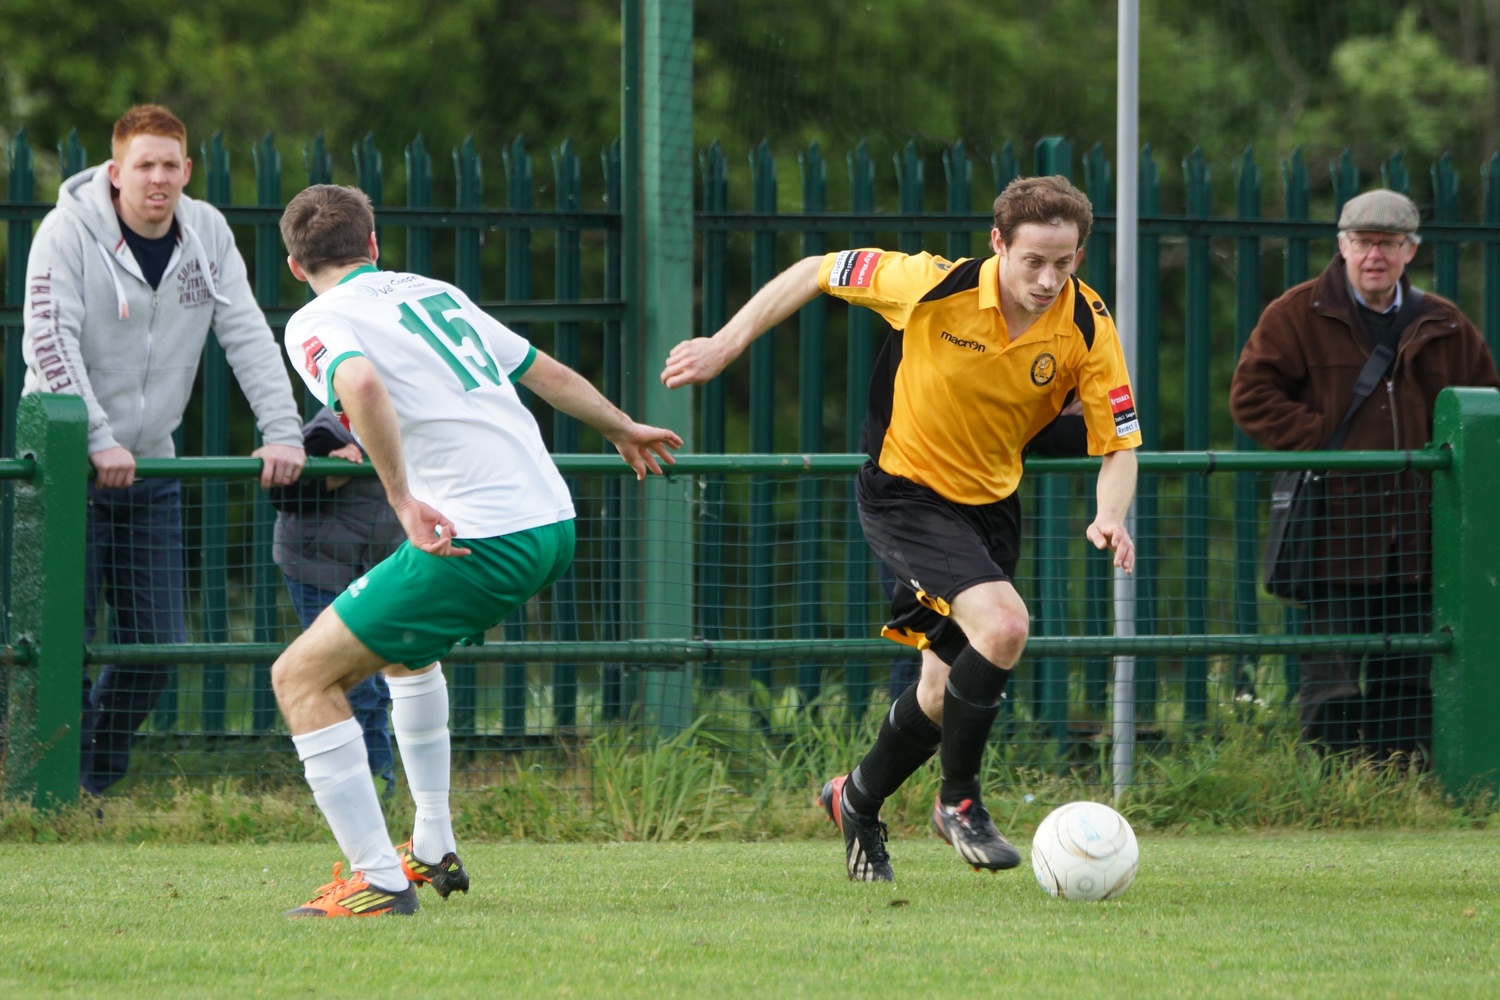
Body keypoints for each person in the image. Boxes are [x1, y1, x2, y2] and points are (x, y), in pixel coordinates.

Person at [662, 175, 1140, 883]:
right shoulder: (930, 285)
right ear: (997, 244)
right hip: (903, 494)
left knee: (942, 693)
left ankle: (854, 798)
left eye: (1063, 263)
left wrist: (1109, 514)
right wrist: (724, 345)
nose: (1047, 278)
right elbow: (813, 270)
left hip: (991, 507)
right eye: (1032, 260)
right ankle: (959, 801)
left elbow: (1120, 441)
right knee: (1005, 626)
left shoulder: (1087, 325)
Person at [272, 184, 681, 917]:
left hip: (482, 535)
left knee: (299, 677)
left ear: (295, 266)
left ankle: (378, 882)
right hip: (550, 521)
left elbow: (358, 380)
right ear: (372, 244)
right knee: (403, 652)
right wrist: (621, 425)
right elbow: (544, 373)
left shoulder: (316, 318)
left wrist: (400, 498)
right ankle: (430, 845)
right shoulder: (434, 293)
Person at [20, 104, 305, 795]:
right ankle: (44, 791)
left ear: (187, 170)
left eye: (170, 165)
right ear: (115, 173)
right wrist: (95, 439)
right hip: (67, 467)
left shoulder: (207, 232)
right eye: (143, 166)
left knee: (155, 648)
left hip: (153, 468)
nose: (158, 179)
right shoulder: (65, 232)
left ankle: (87, 784)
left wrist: (283, 430)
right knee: (60, 648)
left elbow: (246, 336)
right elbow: (47, 340)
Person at [1230, 189, 1500, 762]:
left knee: (1408, 672)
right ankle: (1328, 786)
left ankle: (1401, 787)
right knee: (1331, 675)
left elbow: (1486, 411)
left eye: (1388, 243)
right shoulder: (1296, 314)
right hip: (1335, 535)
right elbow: (1251, 398)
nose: (1373, 254)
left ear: (1411, 250)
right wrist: (1333, 444)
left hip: (1422, 540)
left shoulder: (1446, 323)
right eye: (1362, 242)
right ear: (1342, 245)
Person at [270, 407, 404, 799]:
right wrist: (325, 475)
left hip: (380, 573)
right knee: (354, 685)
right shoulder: (325, 431)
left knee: (378, 685)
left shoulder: (422, 426)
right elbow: (282, 493)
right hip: (318, 568)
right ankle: (363, 794)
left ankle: (376, 791)